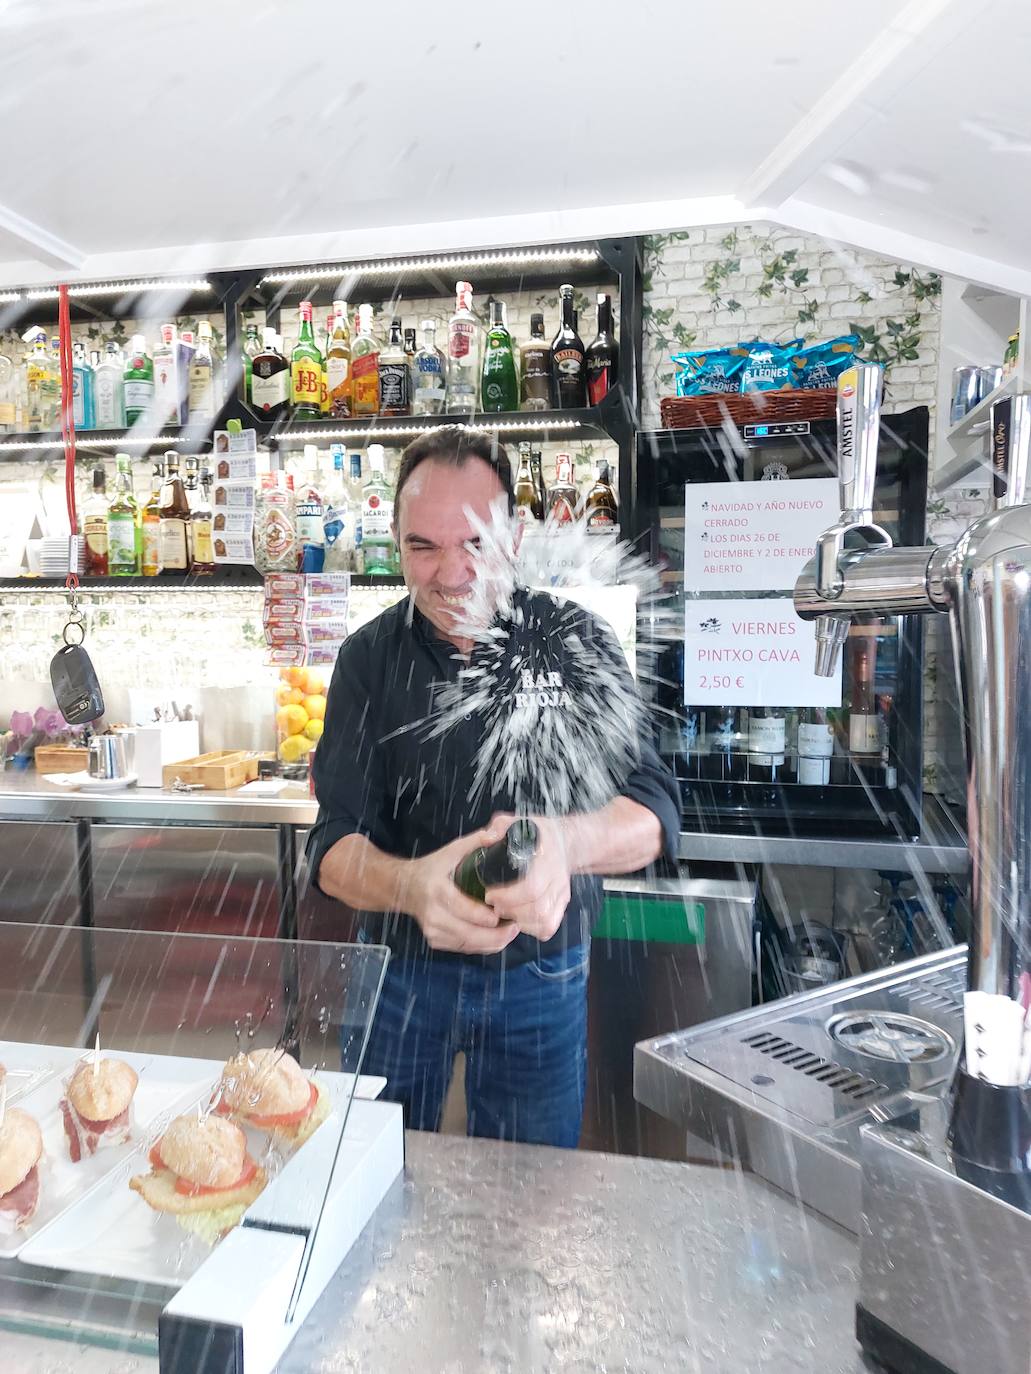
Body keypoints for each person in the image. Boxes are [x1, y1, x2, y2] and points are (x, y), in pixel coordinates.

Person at [306, 426, 679, 1148]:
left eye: (474, 542)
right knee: (372, 1182)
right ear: (394, 540)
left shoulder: (577, 645)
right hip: (397, 979)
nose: (449, 573)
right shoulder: (366, 662)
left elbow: (654, 809)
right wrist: (412, 886)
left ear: (512, 536)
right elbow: (330, 846)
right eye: (423, 546)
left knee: (530, 1202)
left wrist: (563, 845)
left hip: (540, 978)